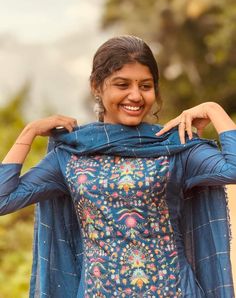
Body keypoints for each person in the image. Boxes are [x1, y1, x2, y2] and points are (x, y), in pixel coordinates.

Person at [0, 35, 235, 298]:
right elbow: (3, 199)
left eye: (145, 86)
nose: (135, 96)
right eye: (122, 84)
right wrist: (28, 132)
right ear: (96, 86)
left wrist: (215, 110)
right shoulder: (71, 155)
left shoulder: (174, 146)